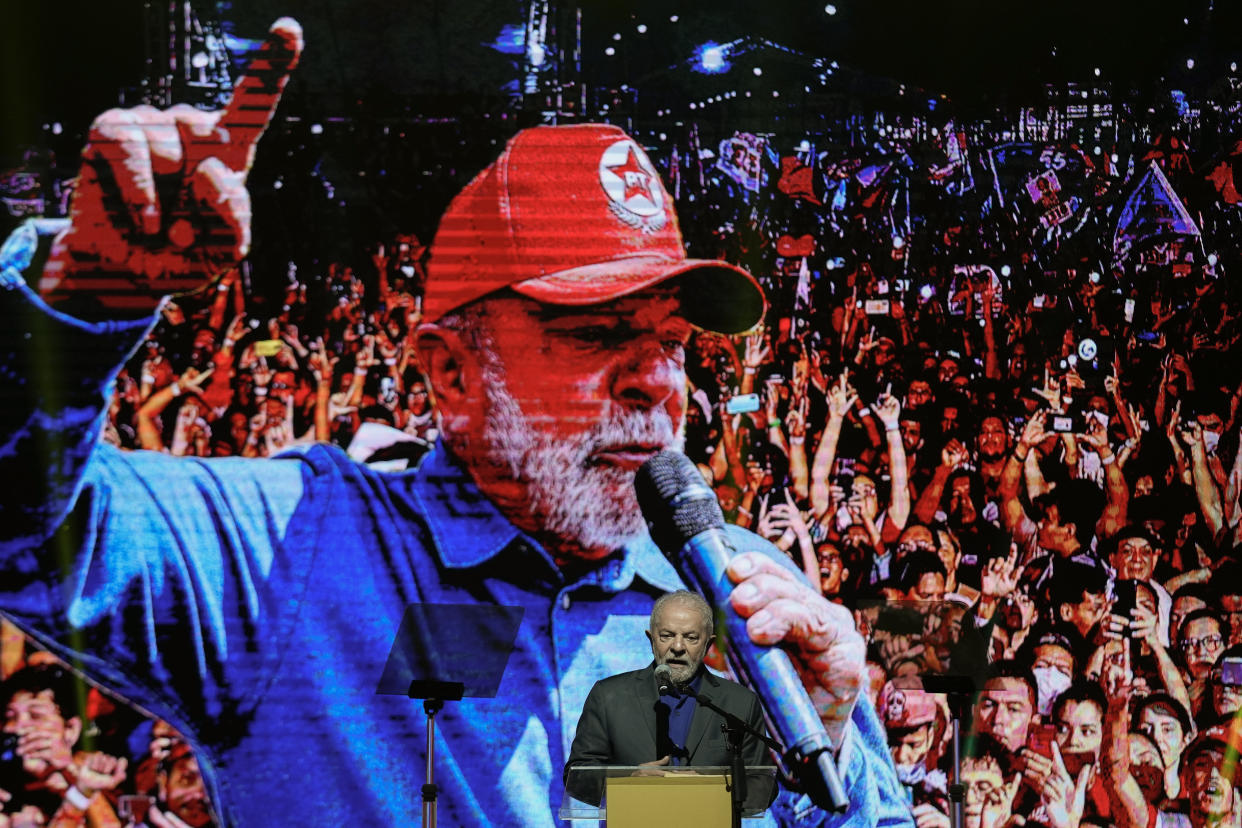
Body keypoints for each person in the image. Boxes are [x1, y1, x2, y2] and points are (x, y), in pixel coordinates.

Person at [0, 19, 906, 828]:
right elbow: (24, 534)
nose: (656, 380)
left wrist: (828, 760)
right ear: (451, 375)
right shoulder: (294, 553)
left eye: (672, 339)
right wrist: (77, 310)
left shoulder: (751, 604)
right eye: (596, 333)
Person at [564, 591, 773, 808]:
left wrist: (716, 789)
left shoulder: (739, 701)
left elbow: (765, 785)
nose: (678, 647)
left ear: (708, 644)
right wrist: (625, 781)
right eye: (666, 636)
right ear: (651, 639)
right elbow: (577, 776)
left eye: (691, 637)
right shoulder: (608, 694)